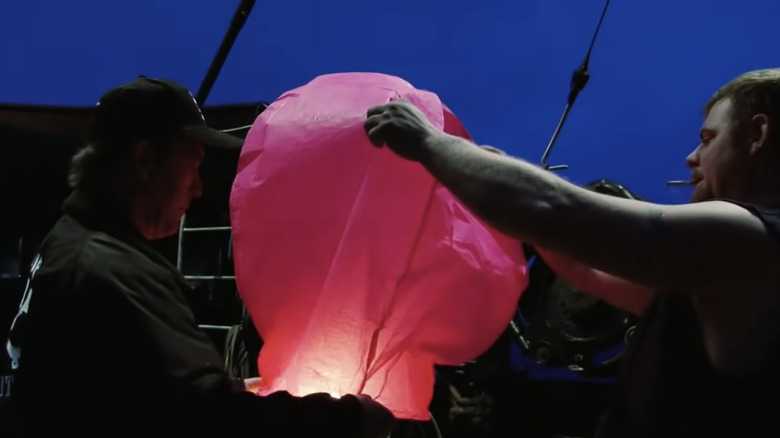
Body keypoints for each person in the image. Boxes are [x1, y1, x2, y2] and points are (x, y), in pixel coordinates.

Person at [364, 68, 780, 437]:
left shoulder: (751, 240)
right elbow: (585, 269)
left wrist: (427, 142)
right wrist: (492, 175)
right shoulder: (717, 277)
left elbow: (555, 211)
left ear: (757, 136)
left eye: (709, 138)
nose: (692, 157)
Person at [6, 76, 394, 438]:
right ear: (145, 162)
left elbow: (137, 393)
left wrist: (238, 389)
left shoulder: (68, 240)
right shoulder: (110, 270)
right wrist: (348, 419)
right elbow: (210, 419)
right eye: (192, 166)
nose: (199, 189)